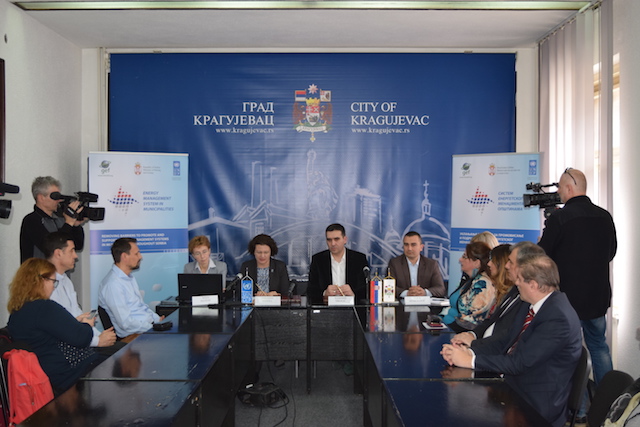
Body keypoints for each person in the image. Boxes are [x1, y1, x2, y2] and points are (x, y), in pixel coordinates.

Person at [441, 255, 582, 427]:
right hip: (513, 383)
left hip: (534, 402)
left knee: (458, 411)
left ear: (533, 285)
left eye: (520, 279)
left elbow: (519, 363)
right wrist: (468, 352)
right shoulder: (532, 304)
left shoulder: (558, 317)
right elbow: (505, 341)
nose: (516, 283)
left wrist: (470, 361)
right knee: (456, 405)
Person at [538, 167, 617, 420]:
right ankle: (610, 407)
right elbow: (611, 253)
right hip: (597, 298)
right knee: (599, 347)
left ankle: (579, 411)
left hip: (568, 301)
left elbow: (543, 256)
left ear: (569, 188)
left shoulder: (559, 219)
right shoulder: (605, 217)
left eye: (560, 188)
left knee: (571, 352)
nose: (558, 193)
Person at [7, 258, 109, 394]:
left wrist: (75, 323)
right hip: (68, 372)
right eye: (53, 282)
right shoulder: (45, 307)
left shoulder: (17, 313)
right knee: (119, 364)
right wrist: (87, 324)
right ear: (40, 281)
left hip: (48, 371)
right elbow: (82, 338)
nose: (54, 287)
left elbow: (50, 332)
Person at [451, 241, 544, 345]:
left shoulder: (522, 296)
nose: (488, 264)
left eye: (492, 260)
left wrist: (473, 346)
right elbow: (491, 322)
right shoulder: (510, 291)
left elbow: (506, 335)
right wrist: (472, 335)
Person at [43, 232, 117, 350]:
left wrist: (100, 336)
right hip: (64, 349)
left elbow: (77, 316)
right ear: (58, 253)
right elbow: (60, 329)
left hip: (80, 340)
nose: (75, 256)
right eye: (71, 251)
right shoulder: (45, 286)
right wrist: (97, 341)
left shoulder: (66, 281)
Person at [98, 237, 163, 338]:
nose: (140, 257)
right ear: (124, 256)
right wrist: (153, 328)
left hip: (145, 329)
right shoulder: (113, 284)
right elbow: (126, 324)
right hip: (133, 336)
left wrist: (158, 320)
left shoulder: (128, 278)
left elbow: (141, 307)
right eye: (136, 254)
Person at [20, 176, 86, 263]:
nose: (59, 200)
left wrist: (75, 226)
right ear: (41, 198)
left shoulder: (60, 219)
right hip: (39, 271)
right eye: (55, 196)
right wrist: (68, 223)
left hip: (61, 271)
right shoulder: (31, 220)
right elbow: (51, 247)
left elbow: (78, 245)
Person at [441, 241, 496, 333]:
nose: (460, 260)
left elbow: (472, 322)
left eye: (464, 257)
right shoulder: (470, 280)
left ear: (477, 263)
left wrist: (444, 326)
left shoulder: (482, 284)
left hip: (456, 332)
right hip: (447, 326)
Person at [308, 223, 369, 304]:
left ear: (345, 239)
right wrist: (324, 294)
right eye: (329, 240)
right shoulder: (318, 260)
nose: (333, 243)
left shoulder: (359, 259)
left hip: (353, 308)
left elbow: (366, 290)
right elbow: (311, 290)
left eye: (336, 239)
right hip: (326, 308)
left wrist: (353, 294)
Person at [387, 231, 446, 298]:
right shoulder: (394, 263)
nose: (409, 248)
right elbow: (388, 287)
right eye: (406, 245)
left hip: (425, 304)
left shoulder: (431, 264)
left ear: (421, 247)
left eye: (413, 245)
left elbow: (440, 289)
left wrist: (424, 292)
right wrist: (407, 293)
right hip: (402, 303)